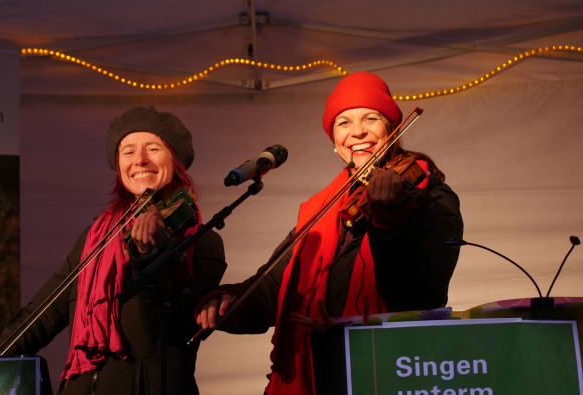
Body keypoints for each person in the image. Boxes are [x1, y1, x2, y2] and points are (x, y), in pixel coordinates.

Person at [195, 72, 464, 395]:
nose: (358, 132)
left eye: (371, 118)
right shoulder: (323, 207)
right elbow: (273, 286)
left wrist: (390, 220)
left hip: (386, 372)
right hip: (317, 373)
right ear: (335, 143)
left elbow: (424, 294)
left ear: (391, 130)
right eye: (344, 123)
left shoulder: (428, 195)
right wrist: (232, 301)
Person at [0, 107, 227, 395]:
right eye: (128, 152)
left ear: (176, 160)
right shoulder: (96, 237)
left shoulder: (203, 243)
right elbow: (40, 318)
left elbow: (165, 337)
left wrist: (150, 258)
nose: (139, 160)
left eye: (153, 148)